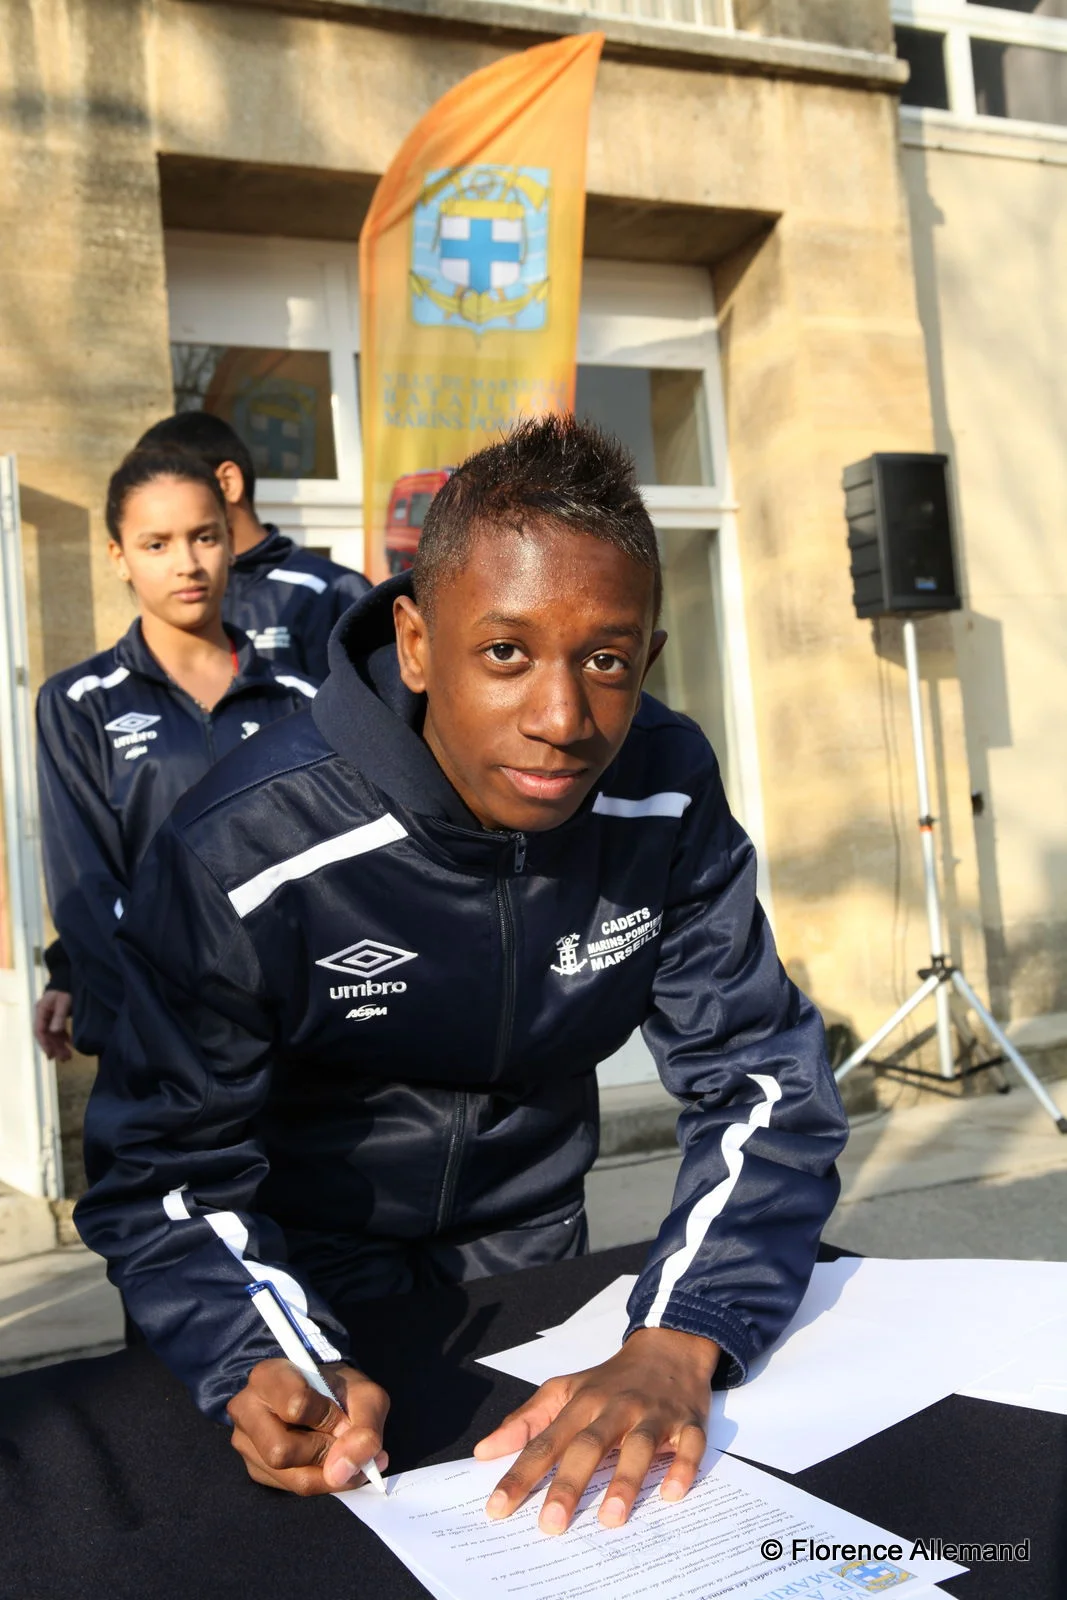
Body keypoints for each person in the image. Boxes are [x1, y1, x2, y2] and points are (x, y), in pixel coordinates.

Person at [75, 416, 848, 1533]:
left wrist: (683, 1336)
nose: (559, 719)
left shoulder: (664, 789)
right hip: (284, 1276)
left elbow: (763, 1078)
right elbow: (162, 1171)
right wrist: (262, 1350)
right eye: (504, 652)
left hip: (533, 1271)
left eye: (606, 661)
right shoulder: (240, 847)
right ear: (417, 639)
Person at [35, 446, 318, 1064]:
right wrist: (164, 1025)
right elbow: (84, 889)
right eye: (156, 544)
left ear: (229, 543)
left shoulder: (302, 702)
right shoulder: (79, 704)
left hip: (288, 1050)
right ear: (119, 558)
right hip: (152, 1050)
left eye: (204, 537)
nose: (187, 564)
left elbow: (326, 881)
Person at [137, 411, 370, 682]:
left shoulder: (335, 591)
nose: (157, 502)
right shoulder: (178, 593)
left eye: (173, 483)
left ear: (227, 483)